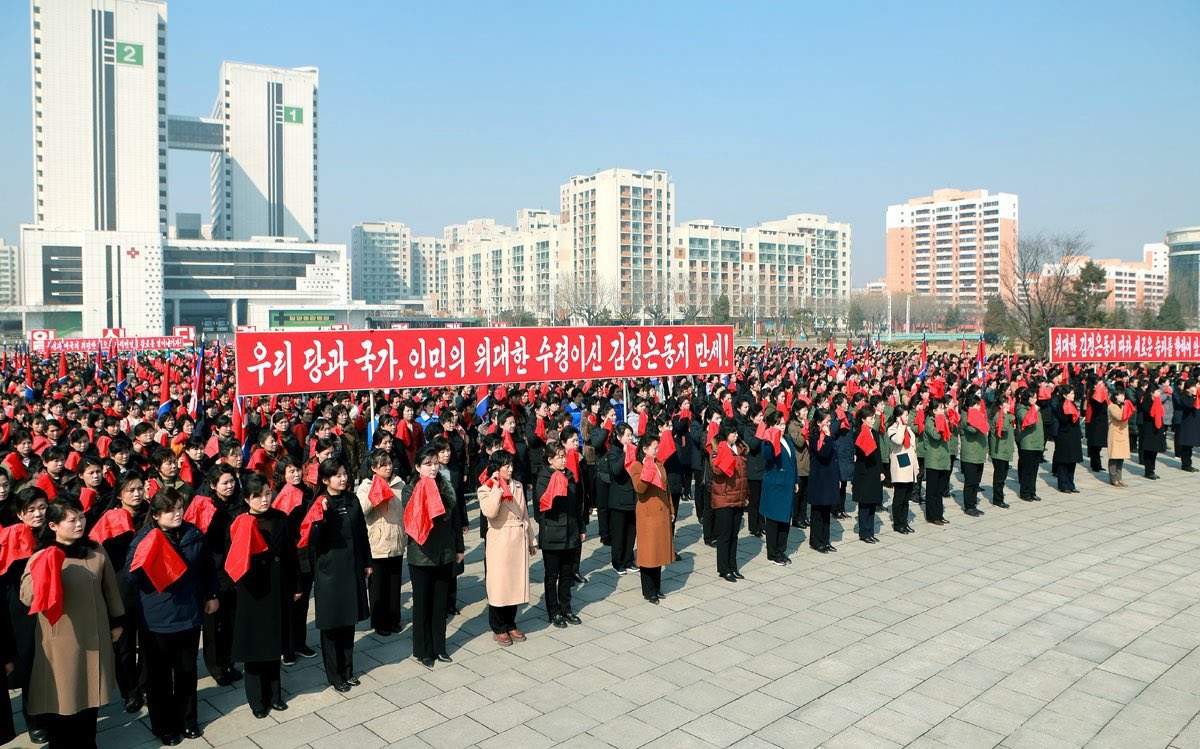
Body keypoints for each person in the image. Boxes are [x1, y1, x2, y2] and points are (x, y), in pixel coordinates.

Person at [21, 499, 124, 748]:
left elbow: (110, 589)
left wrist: (117, 621)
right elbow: (28, 597)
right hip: (60, 642)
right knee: (63, 701)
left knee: (90, 697)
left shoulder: (95, 550)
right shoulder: (41, 556)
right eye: (72, 520)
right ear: (54, 525)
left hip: (95, 634)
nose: (80, 524)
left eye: (82, 517)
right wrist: (48, 567)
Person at [124, 489, 217, 744]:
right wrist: (145, 554)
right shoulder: (144, 538)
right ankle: (163, 725)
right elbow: (130, 577)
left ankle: (188, 720)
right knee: (159, 678)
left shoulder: (193, 533)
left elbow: (208, 567)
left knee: (187, 672)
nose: (177, 514)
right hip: (157, 620)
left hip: (189, 614)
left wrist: (211, 594)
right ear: (155, 515)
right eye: (170, 510)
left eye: (179, 507)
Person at [229, 475, 297, 718]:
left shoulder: (280, 518)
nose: (265, 499)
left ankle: (275, 695)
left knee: (273, 644)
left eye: (268, 493)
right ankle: (256, 700)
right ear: (247, 499)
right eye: (258, 495)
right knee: (254, 648)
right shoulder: (240, 522)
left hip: (277, 587)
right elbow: (235, 560)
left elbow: (291, 554)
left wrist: (295, 584)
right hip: (252, 593)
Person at [304, 460, 369, 691]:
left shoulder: (352, 500)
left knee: (348, 621)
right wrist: (321, 517)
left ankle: (348, 670)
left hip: (351, 567)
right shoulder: (319, 504)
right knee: (332, 626)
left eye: (344, 474)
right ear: (325, 480)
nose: (343, 479)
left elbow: (362, 532)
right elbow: (312, 543)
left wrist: (367, 562)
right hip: (329, 573)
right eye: (337, 475)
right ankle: (335, 675)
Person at [89, 473, 148, 714]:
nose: (136, 493)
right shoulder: (110, 519)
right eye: (130, 489)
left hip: (148, 588)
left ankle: (145, 683)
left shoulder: (152, 513)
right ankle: (130, 692)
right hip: (120, 589)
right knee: (123, 646)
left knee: (148, 641)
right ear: (120, 493)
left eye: (140, 488)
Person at [401, 445, 464, 667]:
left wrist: (459, 548)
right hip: (422, 554)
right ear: (418, 467)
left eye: (436, 463)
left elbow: (455, 520)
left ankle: (439, 647)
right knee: (422, 605)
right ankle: (423, 650)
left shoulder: (445, 485)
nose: (433, 468)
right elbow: (412, 520)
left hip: (445, 552)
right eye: (428, 464)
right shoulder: (410, 489)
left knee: (439, 605)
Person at [3, 489, 49, 743]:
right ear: (20, 514)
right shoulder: (11, 537)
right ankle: (35, 721)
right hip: (24, 609)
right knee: (31, 665)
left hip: (54, 606)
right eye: (30, 510)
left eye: (41, 507)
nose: (37, 513)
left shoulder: (55, 531)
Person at [480, 450, 536, 643]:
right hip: (500, 539)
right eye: (506, 466)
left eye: (511, 465)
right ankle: (498, 626)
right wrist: (497, 486)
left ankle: (511, 623)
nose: (510, 469)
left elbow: (525, 513)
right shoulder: (486, 488)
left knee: (514, 584)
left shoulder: (518, 486)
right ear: (496, 469)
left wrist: (532, 539)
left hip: (518, 538)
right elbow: (490, 512)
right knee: (499, 586)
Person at [192, 464, 240, 685]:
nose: (230, 486)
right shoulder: (206, 507)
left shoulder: (237, 503)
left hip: (234, 569)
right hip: (214, 571)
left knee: (231, 619)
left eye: (232, 481)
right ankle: (215, 665)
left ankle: (229, 660)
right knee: (213, 624)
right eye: (224, 483)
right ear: (213, 485)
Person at [270, 456, 318, 664]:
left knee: (303, 602)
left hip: (307, 554)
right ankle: (286, 647)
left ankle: (300, 642)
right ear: (282, 475)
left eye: (298, 469)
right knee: (289, 602)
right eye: (291, 471)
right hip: (290, 556)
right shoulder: (279, 496)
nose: (296, 474)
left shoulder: (307, 493)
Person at [533, 442, 585, 627]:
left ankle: (567, 608)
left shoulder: (569, 475)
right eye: (559, 457)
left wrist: (581, 528)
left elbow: (576, 505)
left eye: (564, 456)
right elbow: (541, 508)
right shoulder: (543, 478)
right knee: (552, 575)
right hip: (553, 534)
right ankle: (553, 612)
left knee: (566, 574)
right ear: (549, 460)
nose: (563, 460)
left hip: (570, 531)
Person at [355, 449, 406, 637]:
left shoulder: (400, 483)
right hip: (377, 543)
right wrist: (375, 493)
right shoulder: (366, 486)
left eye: (389, 462)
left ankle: (394, 619)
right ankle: (379, 622)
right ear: (373, 468)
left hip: (397, 540)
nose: (388, 467)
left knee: (394, 584)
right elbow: (361, 511)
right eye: (382, 464)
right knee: (378, 587)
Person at [629, 434, 674, 602]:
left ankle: (657, 587)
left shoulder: (659, 464)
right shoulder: (637, 466)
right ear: (645, 449)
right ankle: (648, 591)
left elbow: (666, 488)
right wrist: (647, 470)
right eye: (654, 448)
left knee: (659, 553)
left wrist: (671, 509)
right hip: (648, 514)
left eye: (657, 447)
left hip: (662, 512)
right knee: (649, 553)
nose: (657, 451)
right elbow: (640, 488)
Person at [758, 412, 796, 564]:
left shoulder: (786, 439)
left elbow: (793, 462)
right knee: (774, 520)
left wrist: (796, 480)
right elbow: (767, 456)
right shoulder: (768, 441)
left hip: (788, 483)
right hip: (775, 485)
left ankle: (781, 550)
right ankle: (772, 553)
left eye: (783, 423)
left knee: (785, 520)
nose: (782, 426)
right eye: (779, 424)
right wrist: (770, 438)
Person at [605, 423, 638, 575]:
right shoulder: (614, 452)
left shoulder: (635, 449)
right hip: (619, 499)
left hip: (632, 497)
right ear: (619, 437)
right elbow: (616, 471)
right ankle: (617, 562)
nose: (630, 438)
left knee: (631, 532)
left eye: (631, 435)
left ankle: (628, 560)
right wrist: (625, 453)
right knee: (619, 533)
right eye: (627, 435)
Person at [807, 408, 839, 553]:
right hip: (819, 478)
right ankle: (816, 541)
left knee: (826, 512)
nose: (829, 424)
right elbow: (823, 454)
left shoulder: (828, 435)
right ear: (819, 423)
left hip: (829, 476)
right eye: (827, 421)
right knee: (817, 512)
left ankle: (825, 540)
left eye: (829, 421)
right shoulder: (814, 437)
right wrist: (826, 437)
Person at [852, 407, 884, 542]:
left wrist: (881, 470)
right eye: (870, 418)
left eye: (874, 418)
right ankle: (864, 532)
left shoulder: (875, 433)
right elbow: (859, 453)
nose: (873, 420)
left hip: (874, 472)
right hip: (863, 472)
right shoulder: (858, 433)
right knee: (864, 504)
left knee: (872, 503)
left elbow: (878, 454)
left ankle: (871, 531)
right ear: (863, 419)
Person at [887, 406, 918, 533]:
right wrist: (900, 425)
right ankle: (898, 523)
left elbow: (913, 448)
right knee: (900, 496)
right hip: (900, 466)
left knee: (906, 497)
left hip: (910, 465)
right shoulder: (892, 429)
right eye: (905, 415)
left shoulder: (908, 429)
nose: (907, 418)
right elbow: (899, 441)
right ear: (899, 417)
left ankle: (904, 522)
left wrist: (916, 466)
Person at [922, 399, 951, 525]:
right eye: (940, 408)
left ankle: (939, 514)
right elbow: (936, 435)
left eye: (943, 408)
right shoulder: (929, 422)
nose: (943, 410)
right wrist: (941, 422)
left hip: (943, 458)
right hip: (933, 459)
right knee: (932, 490)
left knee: (939, 490)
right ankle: (932, 515)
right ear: (934, 410)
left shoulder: (941, 419)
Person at [959, 393, 988, 517]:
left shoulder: (976, 415)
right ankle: (968, 506)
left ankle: (973, 504)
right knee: (970, 482)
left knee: (976, 482)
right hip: (970, 455)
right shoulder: (965, 418)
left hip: (979, 454)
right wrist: (976, 416)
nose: (979, 407)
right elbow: (972, 430)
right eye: (977, 405)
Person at [1052, 385, 1083, 493]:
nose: (1073, 395)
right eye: (1071, 393)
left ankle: (1071, 483)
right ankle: (1063, 484)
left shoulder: (1072, 404)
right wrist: (1070, 414)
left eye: (1073, 393)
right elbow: (1063, 420)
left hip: (1074, 436)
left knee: (1072, 461)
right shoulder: (1061, 405)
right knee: (1064, 462)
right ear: (1065, 395)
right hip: (1064, 435)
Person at [1015, 388, 1045, 500]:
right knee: (1027, 470)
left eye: (1036, 397)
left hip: (1037, 442)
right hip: (1028, 443)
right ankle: (1025, 492)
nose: (1035, 399)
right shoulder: (1020, 408)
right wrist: (1033, 408)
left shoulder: (1035, 408)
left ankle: (1032, 491)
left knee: (1034, 470)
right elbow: (1026, 420)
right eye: (1033, 397)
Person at [988, 393, 1015, 508]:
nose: (1009, 405)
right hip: (999, 451)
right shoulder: (998, 416)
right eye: (1006, 403)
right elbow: (1003, 428)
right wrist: (1007, 417)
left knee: (1003, 475)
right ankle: (998, 498)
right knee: (999, 476)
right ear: (1000, 406)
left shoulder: (1005, 415)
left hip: (1005, 450)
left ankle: (999, 496)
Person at [787, 403, 811, 529]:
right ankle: (795, 518)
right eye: (803, 411)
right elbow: (800, 442)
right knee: (798, 493)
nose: (806, 413)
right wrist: (805, 428)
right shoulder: (793, 426)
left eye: (806, 410)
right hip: (799, 463)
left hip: (807, 462)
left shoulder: (805, 423)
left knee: (806, 493)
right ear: (796, 412)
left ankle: (804, 515)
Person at [1108, 388, 1134, 487]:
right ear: (1115, 396)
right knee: (1114, 457)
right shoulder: (1112, 406)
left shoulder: (1123, 406)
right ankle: (1113, 478)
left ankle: (1119, 478)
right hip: (1115, 434)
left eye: (1124, 395)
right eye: (1121, 395)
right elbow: (1120, 417)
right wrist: (1125, 407)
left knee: (1121, 458)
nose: (1123, 397)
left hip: (1123, 434)